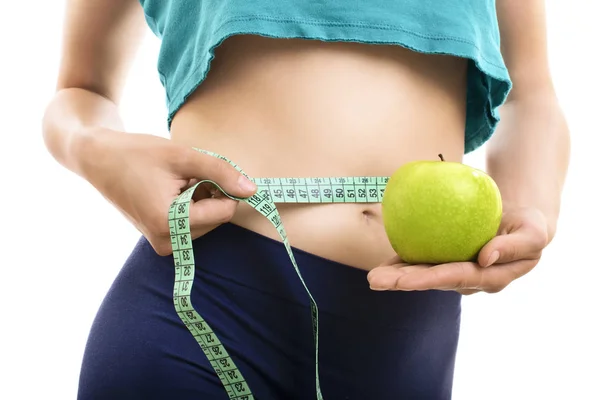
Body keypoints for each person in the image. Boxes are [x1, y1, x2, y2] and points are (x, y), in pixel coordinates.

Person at [42, 0, 570, 398]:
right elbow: (81, 90)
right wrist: (97, 150)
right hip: (207, 304)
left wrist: (532, 206)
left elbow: (530, 94)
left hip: (408, 341)